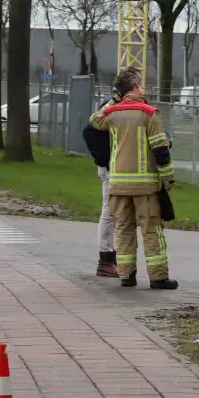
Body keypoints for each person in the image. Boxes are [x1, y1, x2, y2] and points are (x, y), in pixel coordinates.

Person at [89, 68, 178, 290]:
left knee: (124, 229)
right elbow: (161, 152)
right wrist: (168, 180)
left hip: (117, 185)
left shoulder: (112, 114)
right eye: (141, 83)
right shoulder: (149, 113)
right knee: (151, 230)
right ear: (136, 86)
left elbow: (94, 121)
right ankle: (158, 277)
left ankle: (126, 276)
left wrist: (114, 100)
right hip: (145, 187)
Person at [82, 92, 119, 277]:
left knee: (120, 215)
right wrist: (106, 160)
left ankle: (113, 258)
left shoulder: (134, 106)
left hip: (125, 169)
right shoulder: (109, 107)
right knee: (110, 212)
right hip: (112, 169)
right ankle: (105, 260)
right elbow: (89, 131)